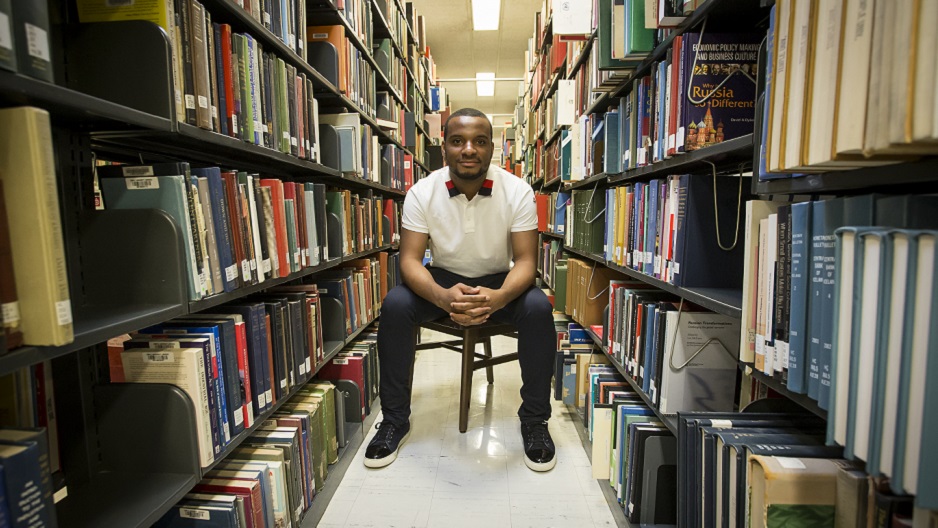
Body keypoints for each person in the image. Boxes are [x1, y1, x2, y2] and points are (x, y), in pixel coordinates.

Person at [364, 108, 557, 472]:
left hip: (499, 281)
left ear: (492, 148)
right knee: (395, 303)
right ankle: (393, 420)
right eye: (458, 141)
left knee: (537, 307)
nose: (469, 149)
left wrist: (498, 298)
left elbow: (527, 263)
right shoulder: (422, 192)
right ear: (443, 148)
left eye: (479, 141)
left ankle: (535, 421)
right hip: (442, 279)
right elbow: (409, 261)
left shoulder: (517, 191)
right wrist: (441, 296)